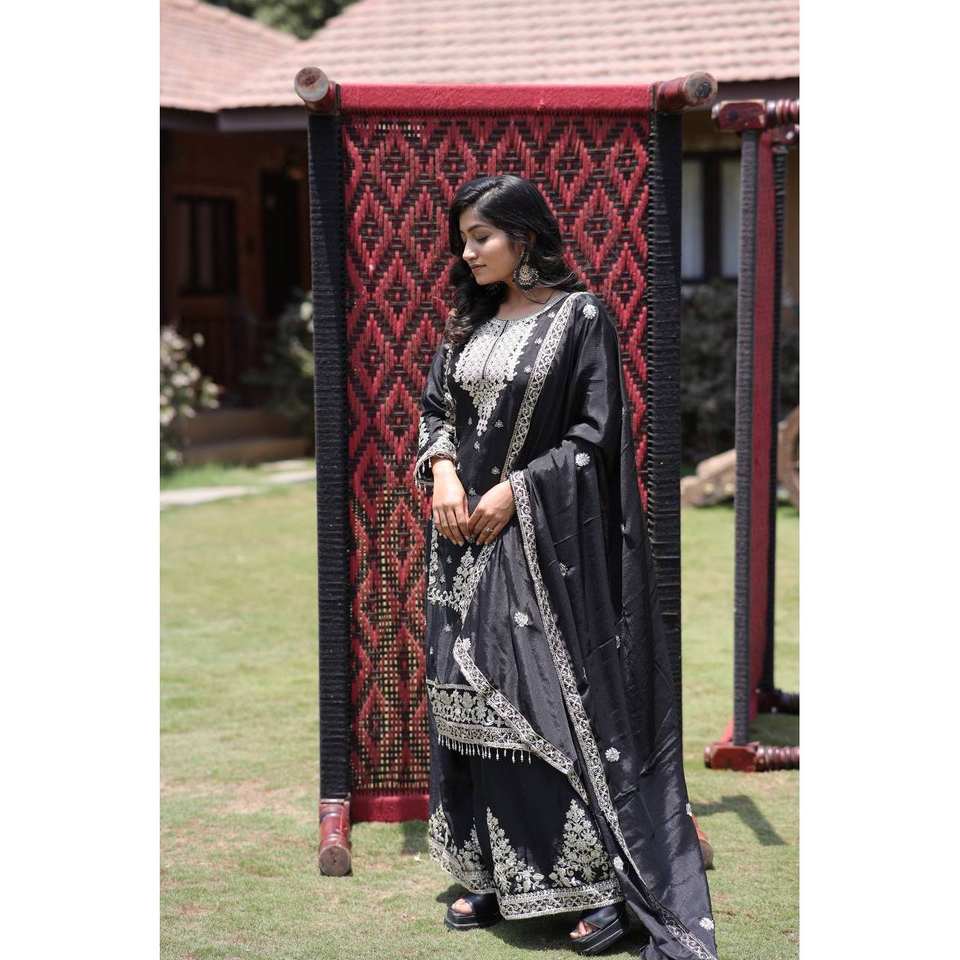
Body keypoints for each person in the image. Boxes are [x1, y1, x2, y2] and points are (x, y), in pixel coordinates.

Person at [415, 174, 718, 959]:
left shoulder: (578, 317)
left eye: (481, 237)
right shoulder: (467, 323)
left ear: (524, 237)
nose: (467, 252)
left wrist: (516, 491)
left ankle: (591, 883)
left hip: (537, 546)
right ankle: (489, 871)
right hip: (456, 540)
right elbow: (436, 410)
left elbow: (595, 434)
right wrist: (443, 471)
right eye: (462, 239)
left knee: (534, 703)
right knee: (461, 701)